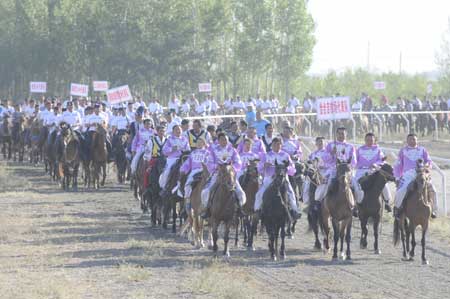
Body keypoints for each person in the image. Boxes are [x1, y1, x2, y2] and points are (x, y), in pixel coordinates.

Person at [201, 133, 246, 218]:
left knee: (240, 192)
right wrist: (216, 167)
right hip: (218, 174)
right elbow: (209, 163)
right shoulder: (214, 151)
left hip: (230, 175)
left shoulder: (233, 150)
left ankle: (240, 209)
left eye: (225, 139)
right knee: (206, 192)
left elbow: (238, 162)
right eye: (222, 140)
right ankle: (207, 209)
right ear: (218, 141)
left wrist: (231, 168)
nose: (224, 141)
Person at [393, 133, 437, 219]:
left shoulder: (422, 150)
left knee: (433, 190)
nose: (412, 141)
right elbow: (398, 165)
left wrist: (427, 167)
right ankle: (397, 209)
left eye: (414, 139)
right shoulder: (403, 151)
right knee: (400, 191)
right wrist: (397, 177)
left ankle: (434, 210)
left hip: (421, 173)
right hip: (408, 175)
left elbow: (429, 161)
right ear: (407, 140)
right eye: (410, 139)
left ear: (417, 140)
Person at [254, 138, 299, 219]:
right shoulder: (266, 155)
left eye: (278, 144)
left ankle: (295, 211)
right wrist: (264, 165)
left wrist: (286, 169)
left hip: (283, 178)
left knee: (291, 192)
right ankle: (257, 210)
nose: (276, 146)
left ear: (281, 145)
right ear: (271, 145)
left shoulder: (285, 155)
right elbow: (259, 167)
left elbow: (293, 169)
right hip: (269, 178)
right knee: (259, 194)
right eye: (274, 144)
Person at [352, 133, 392, 212]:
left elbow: (381, 160)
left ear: (374, 140)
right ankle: (355, 204)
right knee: (355, 185)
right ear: (365, 140)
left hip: (374, 170)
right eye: (367, 140)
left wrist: (376, 164)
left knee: (383, 183)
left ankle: (387, 202)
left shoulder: (378, 150)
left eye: (371, 140)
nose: (369, 141)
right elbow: (354, 161)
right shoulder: (359, 150)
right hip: (361, 171)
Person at [325, 127, 357, 216]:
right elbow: (325, 159)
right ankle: (324, 205)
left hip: (346, 170)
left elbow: (354, 161)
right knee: (327, 185)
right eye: (339, 133)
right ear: (336, 134)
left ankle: (355, 206)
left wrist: (348, 165)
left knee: (355, 185)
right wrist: (331, 153)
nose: (341, 135)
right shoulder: (330, 145)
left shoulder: (350, 146)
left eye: (343, 133)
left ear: (346, 134)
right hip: (334, 169)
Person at [159, 125, 190, 195]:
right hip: (172, 158)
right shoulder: (170, 139)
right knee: (167, 171)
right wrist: (172, 149)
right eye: (176, 130)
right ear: (173, 131)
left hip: (183, 158)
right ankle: (165, 187)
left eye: (179, 129)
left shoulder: (185, 139)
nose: (178, 131)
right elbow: (164, 151)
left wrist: (185, 150)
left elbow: (188, 149)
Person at [179, 137, 210, 207]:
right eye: (197, 143)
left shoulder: (207, 153)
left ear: (204, 144)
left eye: (200, 142)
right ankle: (187, 203)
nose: (199, 144)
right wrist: (183, 169)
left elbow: (209, 163)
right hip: (194, 172)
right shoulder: (193, 153)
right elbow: (187, 163)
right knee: (188, 184)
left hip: (204, 171)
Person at [302, 137, 331, 205]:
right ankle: (307, 201)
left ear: (325, 143)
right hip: (314, 173)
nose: (320, 143)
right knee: (306, 183)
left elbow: (330, 164)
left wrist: (322, 166)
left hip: (325, 172)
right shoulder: (313, 153)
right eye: (319, 141)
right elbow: (308, 162)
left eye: (322, 141)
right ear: (316, 143)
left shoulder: (328, 153)